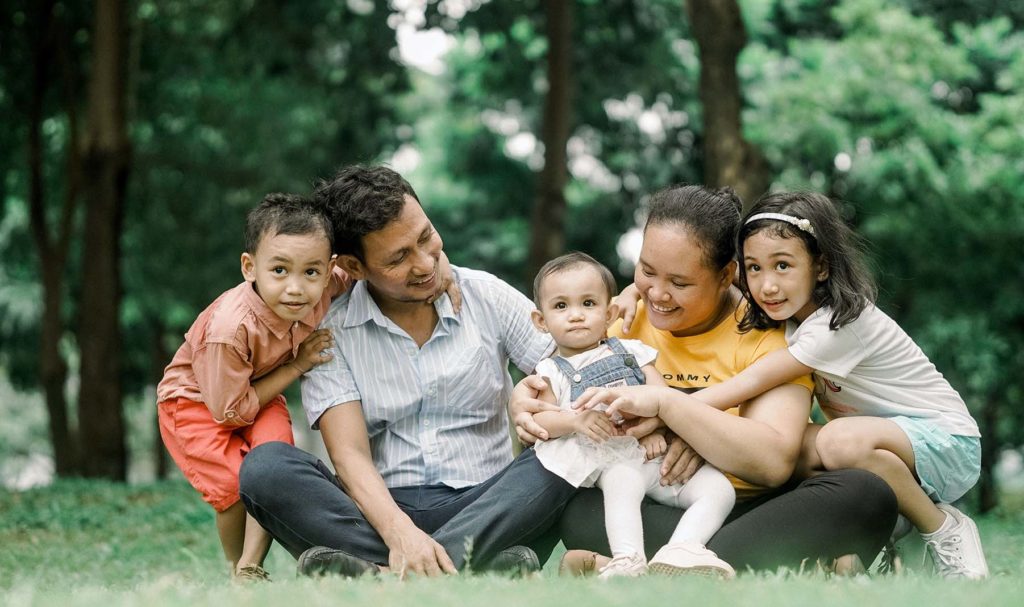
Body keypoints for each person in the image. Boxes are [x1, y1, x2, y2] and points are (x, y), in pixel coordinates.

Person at [512, 184, 899, 574]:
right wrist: (525, 402)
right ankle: (733, 563)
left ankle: (657, 564)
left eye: (680, 283)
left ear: (726, 275)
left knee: (867, 494)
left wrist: (679, 416)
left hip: (751, 506)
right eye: (647, 271)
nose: (657, 294)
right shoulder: (622, 317)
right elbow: (562, 394)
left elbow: (773, 461)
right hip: (647, 501)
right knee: (579, 505)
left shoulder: (768, 331)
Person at [238, 165, 577, 579]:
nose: (424, 264)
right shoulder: (331, 333)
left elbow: (575, 367)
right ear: (354, 267)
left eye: (425, 237)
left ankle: (381, 575)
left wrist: (537, 396)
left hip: (488, 503)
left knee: (571, 449)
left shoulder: (484, 295)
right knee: (265, 468)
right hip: (380, 514)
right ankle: (474, 568)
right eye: (399, 258)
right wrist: (401, 534)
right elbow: (349, 456)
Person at [680, 191, 987, 579]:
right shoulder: (791, 308)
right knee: (781, 445)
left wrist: (675, 411)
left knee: (835, 441)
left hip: (948, 441)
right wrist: (633, 291)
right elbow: (710, 278)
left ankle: (943, 527)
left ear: (821, 266)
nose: (767, 285)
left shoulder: (839, 323)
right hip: (882, 445)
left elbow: (753, 380)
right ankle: (884, 528)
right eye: (755, 268)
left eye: (783, 266)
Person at [157, 193, 348, 581]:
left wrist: (441, 268)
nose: (296, 288)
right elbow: (229, 412)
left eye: (311, 273)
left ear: (328, 272)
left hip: (256, 392)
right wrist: (298, 364)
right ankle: (238, 572)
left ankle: (251, 566)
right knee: (232, 488)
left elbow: (369, 267)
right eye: (279, 270)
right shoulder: (231, 330)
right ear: (250, 267)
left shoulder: (324, 287)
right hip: (197, 403)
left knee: (273, 466)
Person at [529, 252, 735, 578]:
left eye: (588, 304)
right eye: (560, 306)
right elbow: (541, 421)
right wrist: (574, 420)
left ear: (609, 312)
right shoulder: (551, 370)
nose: (576, 315)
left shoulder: (632, 352)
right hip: (613, 461)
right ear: (541, 321)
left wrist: (655, 430)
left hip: (656, 458)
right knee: (622, 485)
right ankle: (629, 558)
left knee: (720, 489)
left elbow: (662, 399)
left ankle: (681, 549)